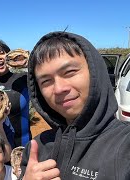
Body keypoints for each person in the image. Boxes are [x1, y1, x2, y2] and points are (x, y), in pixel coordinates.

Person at [19, 31, 130, 180]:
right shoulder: (37, 147)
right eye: (46, 81)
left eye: (70, 72)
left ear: (95, 72)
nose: (59, 89)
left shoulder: (124, 146)